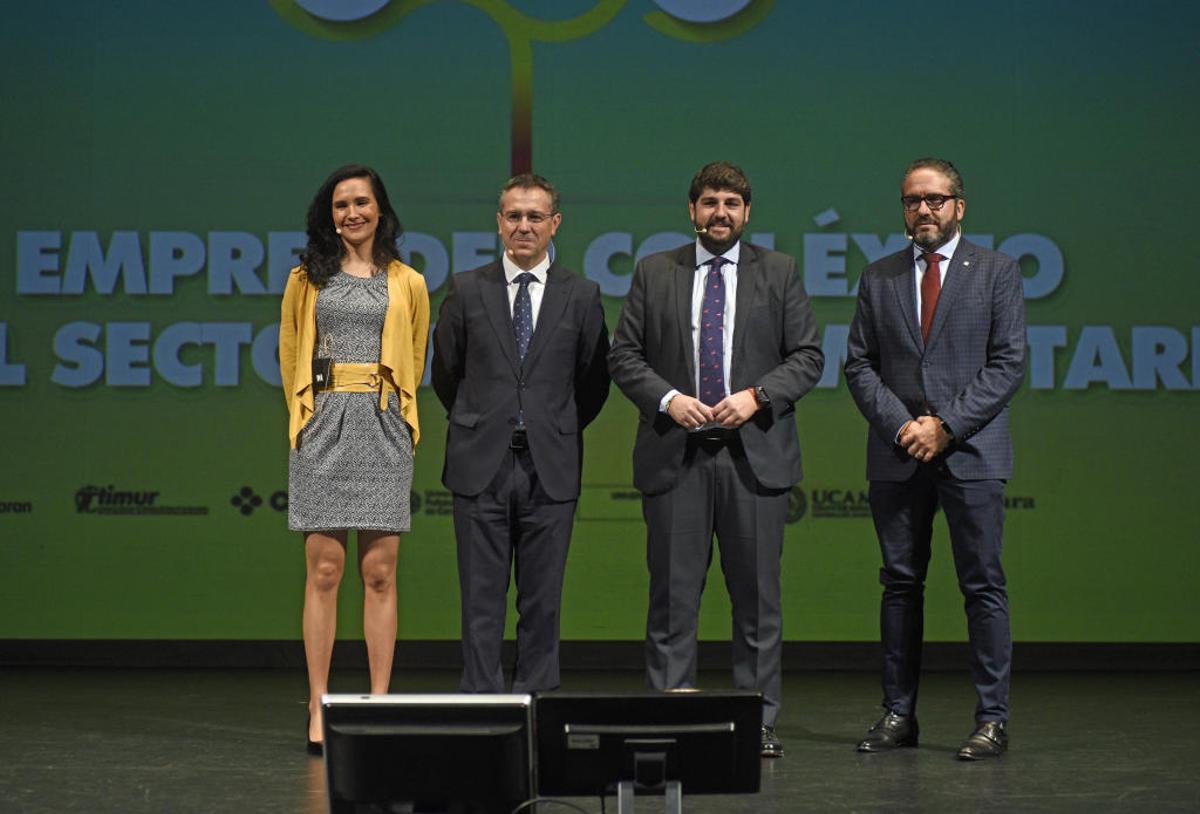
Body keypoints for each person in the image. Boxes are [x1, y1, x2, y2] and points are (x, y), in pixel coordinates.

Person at [608, 161, 824, 758]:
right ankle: (670, 717)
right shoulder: (656, 272)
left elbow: (807, 356)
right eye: (709, 202)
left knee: (757, 602)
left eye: (731, 202)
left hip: (754, 460)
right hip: (676, 458)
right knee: (673, 601)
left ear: (747, 213)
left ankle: (757, 723)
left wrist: (757, 396)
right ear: (692, 210)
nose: (719, 212)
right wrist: (670, 399)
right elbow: (623, 355)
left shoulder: (778, 272)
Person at [844, 157, 1026, 760]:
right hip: (898, 456)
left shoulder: (996, 272)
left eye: (936, 200)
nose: (923, 210)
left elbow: (1008, 364)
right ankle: (898, 714)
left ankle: (992, 719)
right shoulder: (879, 276)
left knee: (983, 587)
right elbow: (859, 365)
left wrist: (944, 426)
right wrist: (904, 427)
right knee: (900, 586)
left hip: (971, 452)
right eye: (912, 201)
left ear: (959, 207)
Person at [431, 173, 610, 695]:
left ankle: (536, 703)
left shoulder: (582, 295)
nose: (524, 226)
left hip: (549, 467)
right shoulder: (467, 289)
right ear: (499, 222)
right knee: (480, 599)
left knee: (543, 600)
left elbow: (593, 382)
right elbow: (447, 372)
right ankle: (482, 705)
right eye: (514, 216)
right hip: (480, 464)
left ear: (555, 224)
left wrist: (551, 424)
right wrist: (484, 419)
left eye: (535, 217)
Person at [279, 164, 430, 753]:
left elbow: (414, 355)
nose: (352, 213)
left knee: (379, 574)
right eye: (341, 205)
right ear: (329, 214)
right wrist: (306, 418)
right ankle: (318, 705)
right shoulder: (305, 278)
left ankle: (379, 702)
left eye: (362, 203)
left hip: (383, 423)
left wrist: (396, 415)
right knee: (323, 572)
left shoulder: (408, 282)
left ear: (380, 210)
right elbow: (291, 349)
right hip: (324, 421)